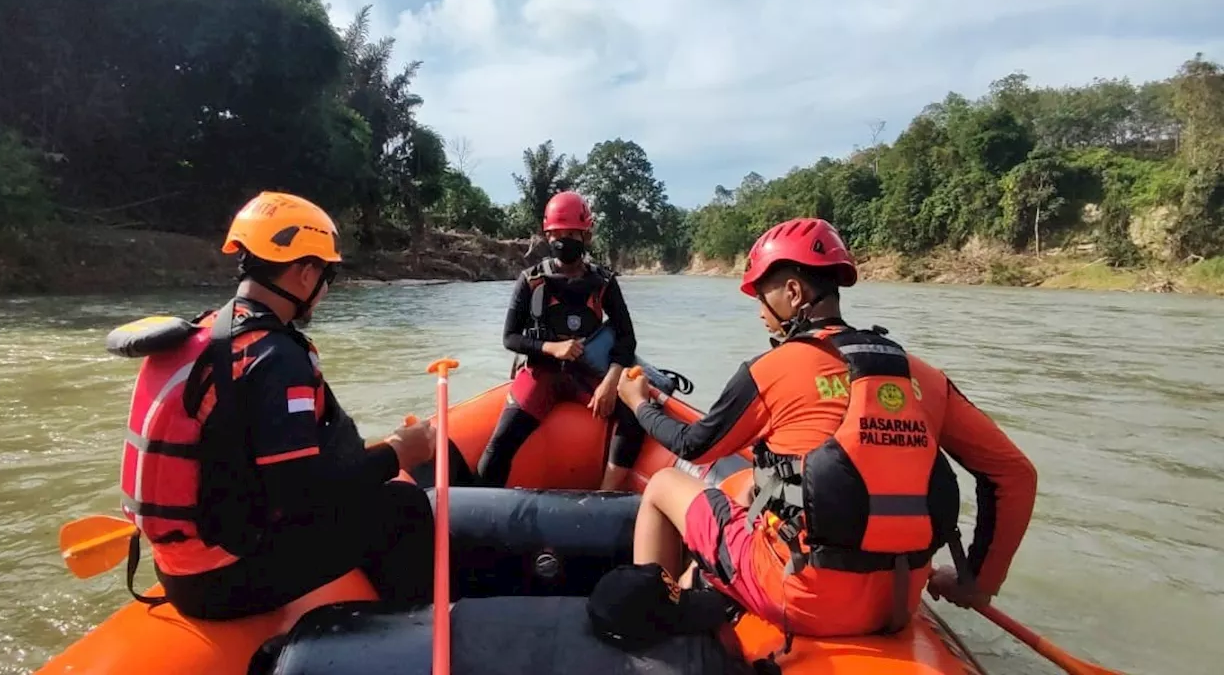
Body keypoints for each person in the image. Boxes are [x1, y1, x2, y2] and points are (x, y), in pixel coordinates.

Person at [616, 217, 1038, 642]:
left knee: (664, 484)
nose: (761, 313)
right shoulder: (918, 373)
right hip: (899, 601)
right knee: (748, 484)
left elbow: (693, 446)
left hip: (802, 599)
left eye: (762, 298)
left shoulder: (772, 370)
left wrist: (638, 404)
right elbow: (1014, 474)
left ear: (793, 293)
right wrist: (977, 585)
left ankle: (648, 630)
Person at [111, 191, 438, 620]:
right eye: (327, 275)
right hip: (223, 579)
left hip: (178, 567)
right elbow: (303, 496)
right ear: (304, 273)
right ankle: (416, 633)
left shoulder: (208, 333)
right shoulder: (275, 356)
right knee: (404, 508)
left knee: (365, 483)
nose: (324, 289)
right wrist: (399, 453)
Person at [478, 190, 646, 491]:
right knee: (494, 454)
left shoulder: (604, 282)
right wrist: (552, 348)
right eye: (558, 233)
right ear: (547, 234)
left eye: (573, 234)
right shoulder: (531, 280)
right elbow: (510, 338)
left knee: (635, 418)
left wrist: (610, 382)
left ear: (586, 236)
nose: (565, 240)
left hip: (589, 375)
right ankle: (490, 515)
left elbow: (626, 337)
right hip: (543, 373)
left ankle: (605, 497)